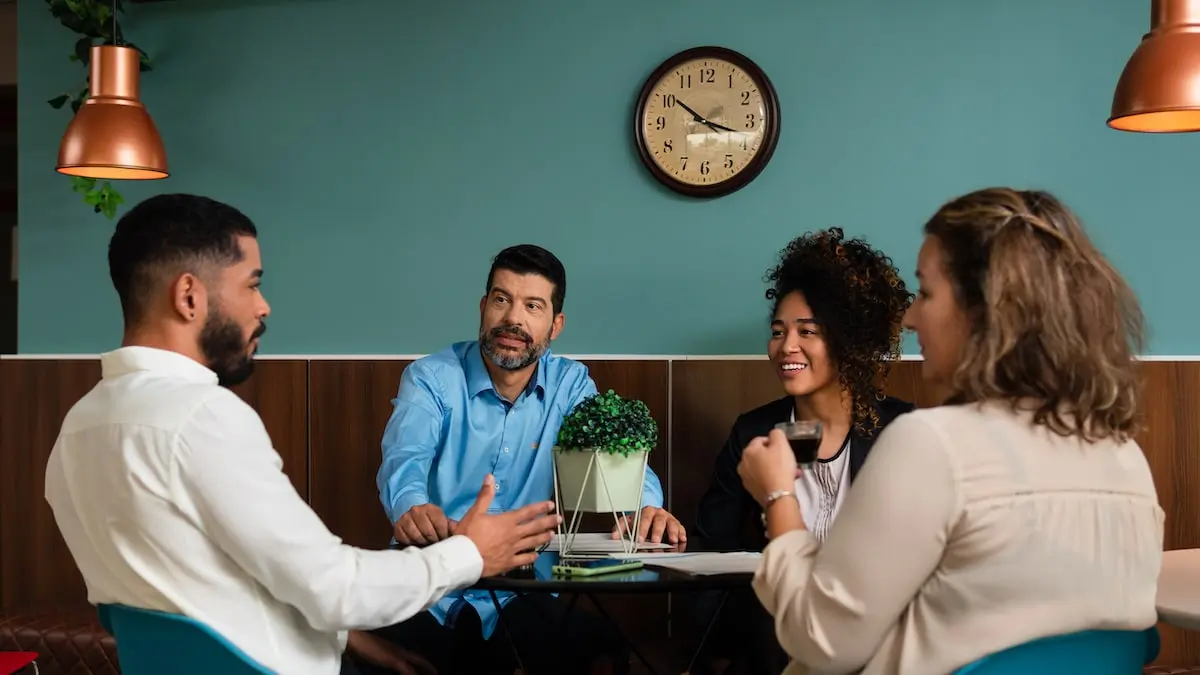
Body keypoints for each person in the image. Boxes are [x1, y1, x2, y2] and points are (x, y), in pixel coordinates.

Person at [44, 194, 561, 675]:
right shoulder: (201, 418)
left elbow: (210, 587)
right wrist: (471, 552)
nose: (263, 306)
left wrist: (347, 638)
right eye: (251, 284)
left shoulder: (78, 427)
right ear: (188, 296)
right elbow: (336, 587)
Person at [739, 188, 1164, 674]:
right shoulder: (1125, 456)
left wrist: (778, 497)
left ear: (983, 311)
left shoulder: (930, 444)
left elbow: (821, 642)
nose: (912, 317)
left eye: (926, 292)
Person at [374, 244, 684, 675]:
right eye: (501, 300)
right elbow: (405, 455)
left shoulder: (570, 384)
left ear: (555, 325)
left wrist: (647, 504)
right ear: (483, 306)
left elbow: (613, 448)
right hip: (432, 584)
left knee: (602, 650)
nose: (513, 319)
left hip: (526, 590)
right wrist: (410, 505)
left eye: (532, 306)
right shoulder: (431, 377)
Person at [690, 227, 914, 674]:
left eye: (807, 331)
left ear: (850, 341)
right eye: (778, 331)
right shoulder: (754, 433)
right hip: (771, 651)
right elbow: (712, 558)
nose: (785, 347)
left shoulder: (903, 431)